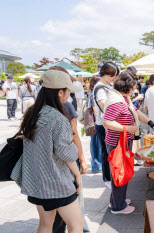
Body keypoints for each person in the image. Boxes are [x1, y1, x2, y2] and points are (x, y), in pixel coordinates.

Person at [18, 70, 84, 233]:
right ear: (60, 92)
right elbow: (66, 154)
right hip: (56, 182)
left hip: (36, 181)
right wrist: (77, 174)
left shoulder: (32, 114)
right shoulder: (58, 119)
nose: (69, 95)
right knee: (77, 224)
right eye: (68, 91)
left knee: (46, 224)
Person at [103, 71, 154, 214]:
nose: (135, 88)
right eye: (134, 86)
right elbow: (107, 122)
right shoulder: (116, 101)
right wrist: (127, 128)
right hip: (117, 143)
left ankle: (116, 200)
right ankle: (118, 207)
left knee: (121, 171)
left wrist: (151, 122)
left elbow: (136, 112)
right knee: (120, 172)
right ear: (127, 86)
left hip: (123, 141)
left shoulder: (123, 98)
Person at [48, 66, 90, 233]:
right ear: (61, 90)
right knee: (76, 215)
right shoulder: (65, 107)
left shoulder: (36, 109)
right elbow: (73, 138)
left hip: (43, 172)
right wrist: (81, 161)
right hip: (65, 166)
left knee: (48, 219)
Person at [93, 62, 120, 189]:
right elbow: (104, 106)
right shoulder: (100, 88)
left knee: (109, 152)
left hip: (107, 124)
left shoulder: (107, 86)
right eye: (112, 75)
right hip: (103, 124)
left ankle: (110, 176)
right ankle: (107, 178)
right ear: (105, 73)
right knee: (106, 152)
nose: (114, 78)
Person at [87, 75, 102, 173]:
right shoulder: (94, 93)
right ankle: (96, 166)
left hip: (92, 122)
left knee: (94, 143)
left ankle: (96, 165)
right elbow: (95, 110)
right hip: (96, 122)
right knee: (97, 144)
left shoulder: (90, 92)